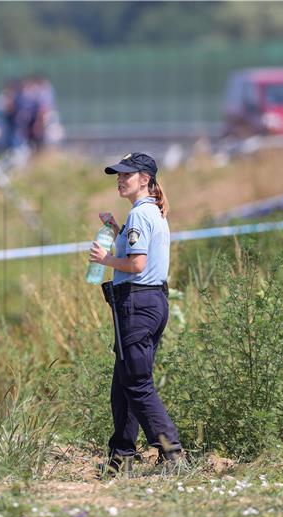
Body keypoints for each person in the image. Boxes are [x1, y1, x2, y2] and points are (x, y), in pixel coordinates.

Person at [88, 152, 184, 475]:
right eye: (117, 175)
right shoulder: (147, 214)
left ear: (144, 179)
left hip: (138, 305)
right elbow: (138, 256)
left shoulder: (142, 215)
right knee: (124, 383)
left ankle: (173, 454)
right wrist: (117, 230)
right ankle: (121, 457)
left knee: (138, 383)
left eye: (126, 175)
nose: (120, 179)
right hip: (151, 302)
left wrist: (105, 260)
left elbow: (137, 265)